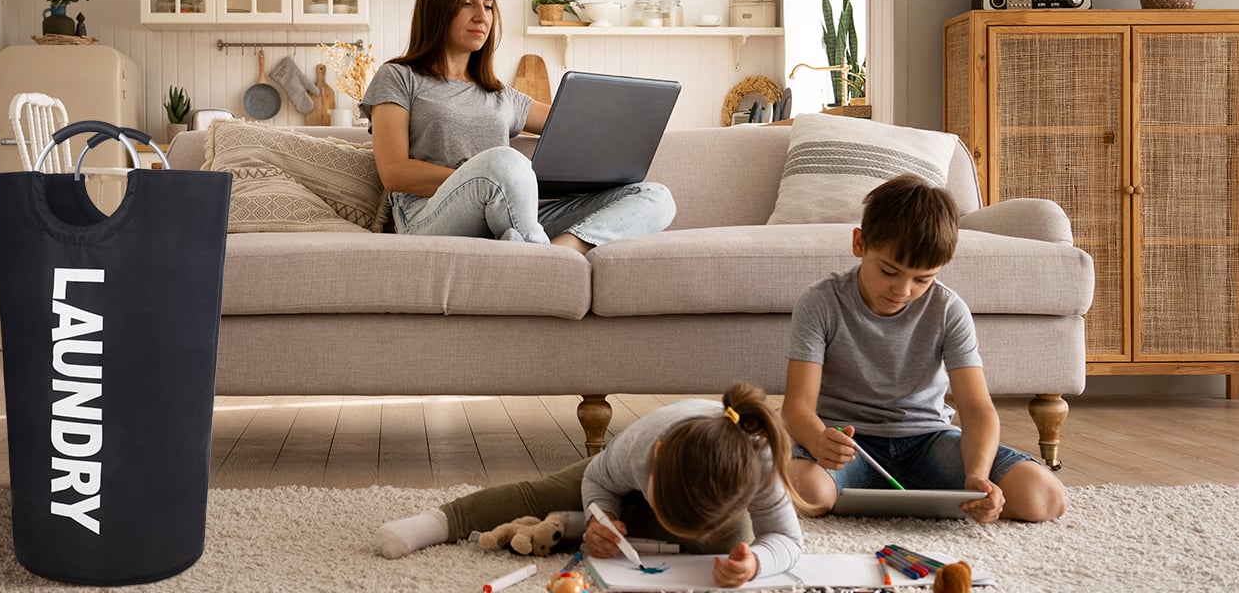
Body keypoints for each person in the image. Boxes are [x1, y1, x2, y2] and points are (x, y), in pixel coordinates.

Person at [782, 174, 1066, 523]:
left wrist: (976, 476)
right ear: (860, 243)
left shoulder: (948, 309)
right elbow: (797, 406)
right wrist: (816, 440)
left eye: (922, 279)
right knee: (804, 493)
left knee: (1044, 497)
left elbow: (977, 409)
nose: (902, 290)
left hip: (929, 441)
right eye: (888, 271)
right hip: (849, 449)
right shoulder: (820, 302)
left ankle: (883, 496)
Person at [374, 383, 814, 588]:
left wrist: (755, 564)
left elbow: (788, 541)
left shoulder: (760, 464)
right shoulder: (641, 447)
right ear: (656, 460)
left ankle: (571, 526)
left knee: (727, 546)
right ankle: (440, 520)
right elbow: (597, 482)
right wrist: (602, 515)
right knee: (544, 492)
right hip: (611, 478)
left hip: (701, 509)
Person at [357, 0, 676, 254]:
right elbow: (394, 172)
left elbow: (576, 122)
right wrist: (484, 179)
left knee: (656, 197)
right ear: (437, 9)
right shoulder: (398, 77)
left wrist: (630, 119)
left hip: (511, 212)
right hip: (427, 216)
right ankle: (538, 258)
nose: (481, 16)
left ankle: (561, 250)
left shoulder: (500, 95)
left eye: (488, 5)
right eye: (467, 3)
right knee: (506, 160)